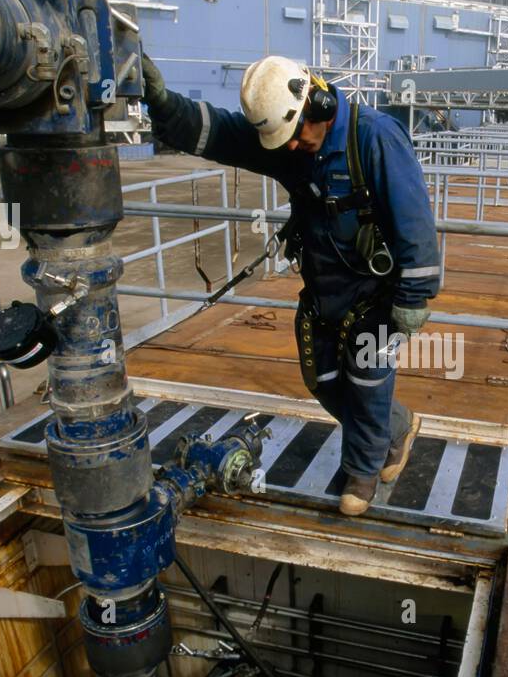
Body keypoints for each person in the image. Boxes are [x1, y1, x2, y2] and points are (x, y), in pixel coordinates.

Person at [140, 55, 441, 516]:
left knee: (366, 375)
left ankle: (363, 470)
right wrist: (162, 106)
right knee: (321, 380)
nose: (295, 146)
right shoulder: (295, 146)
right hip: (325, 291)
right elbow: (219, 133)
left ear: (319, 102)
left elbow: (415, 220)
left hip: (375, 293)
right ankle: (396, 428)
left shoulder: (376, 138)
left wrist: (415, 296)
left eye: (299, 134)